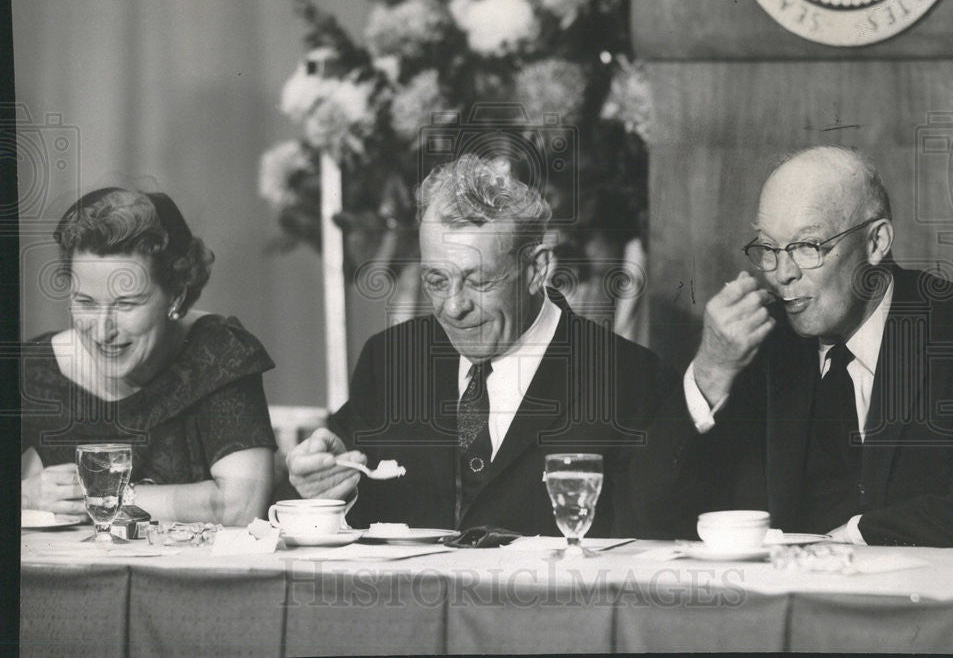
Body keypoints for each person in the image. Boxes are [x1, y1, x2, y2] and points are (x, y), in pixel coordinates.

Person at [285, 155, 680, 536]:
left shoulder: (630, 379)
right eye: (437, 281)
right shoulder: (390, 361)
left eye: (479, 281)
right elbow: (319, 506)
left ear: (536, 269)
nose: (454, 307)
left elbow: (651, 543)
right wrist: (324, 488)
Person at [634, 146, 953, 547]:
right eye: (769, 249)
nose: (782, 274)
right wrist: (710, 370)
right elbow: (646, 510)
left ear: (876, 242)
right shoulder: (756, 344)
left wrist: (860, 533)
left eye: (808, 247)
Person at [21, 188, 276, 526]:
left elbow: (240, 508)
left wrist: (99, 496)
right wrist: (22, 495)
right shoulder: (33, 371)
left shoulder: (218, 354)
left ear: (177, 294)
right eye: (84, 302)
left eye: (126, 304)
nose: (101, 330)